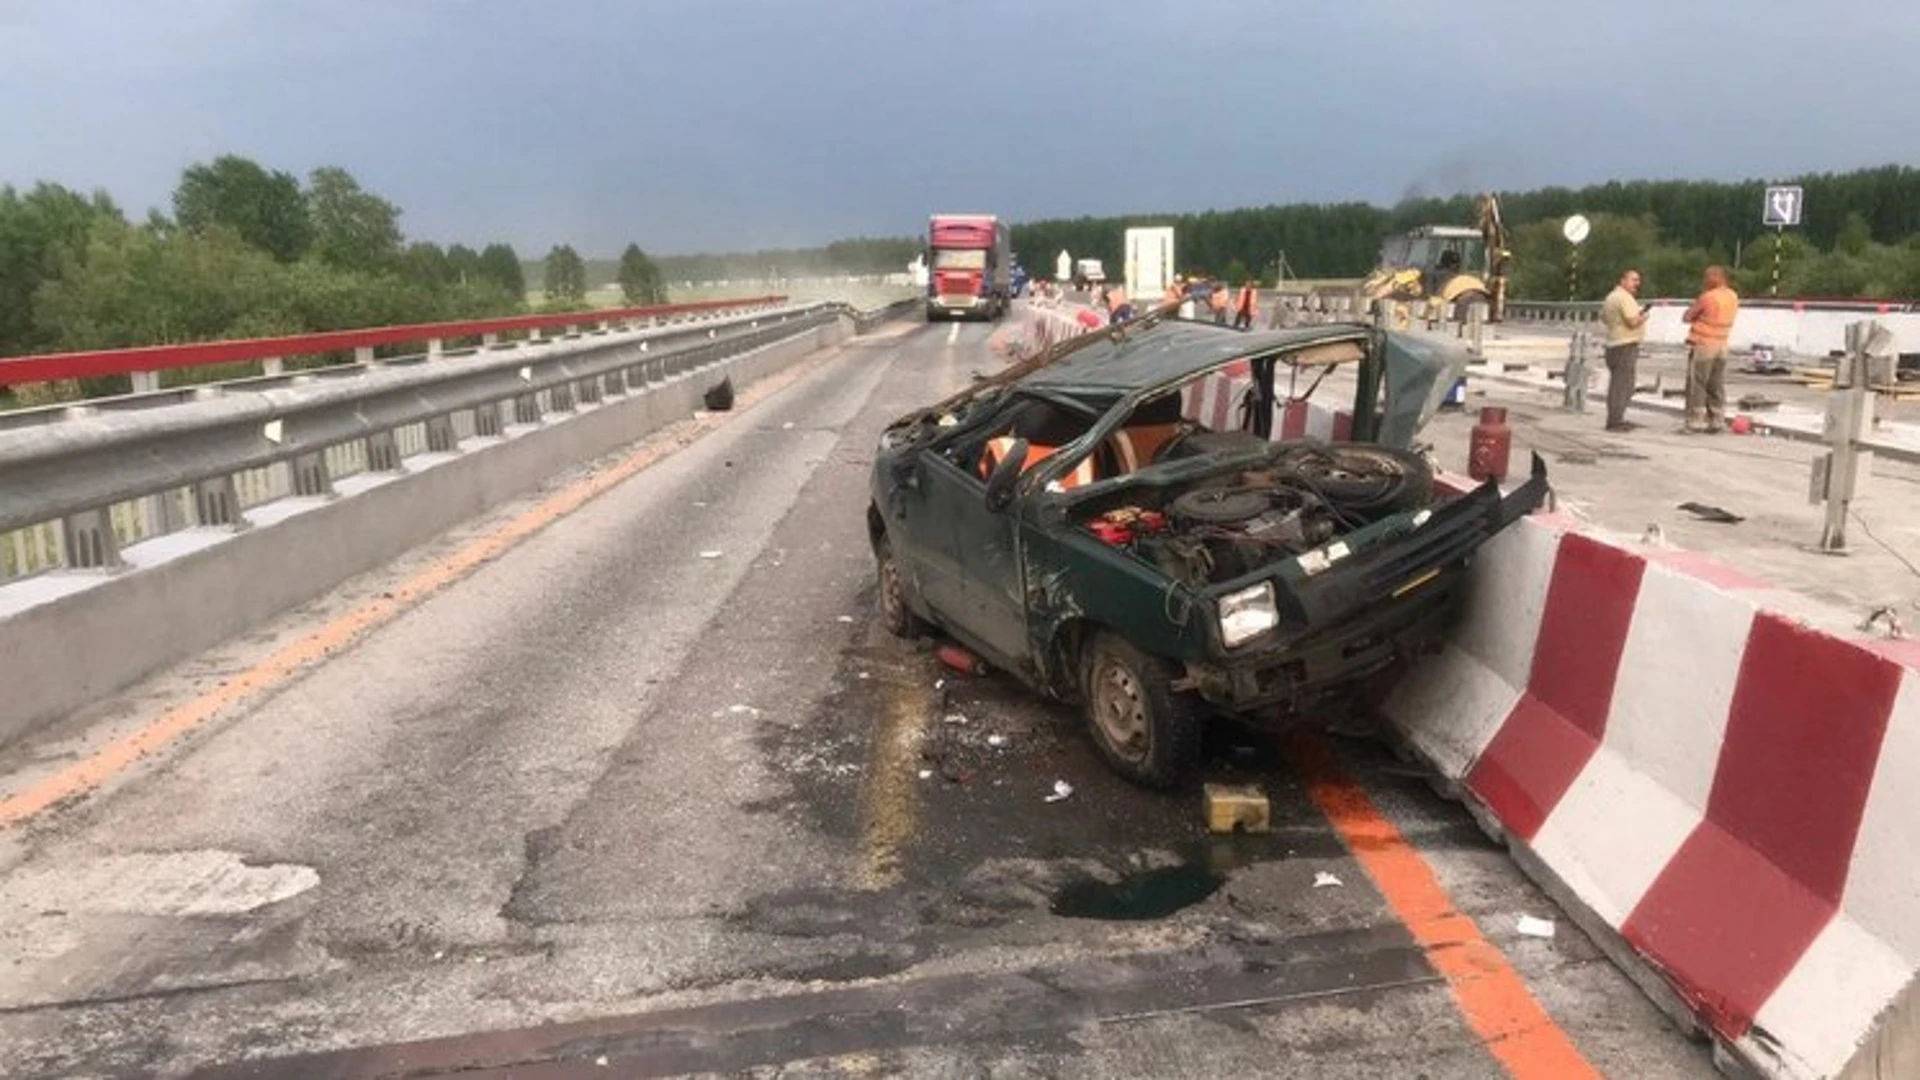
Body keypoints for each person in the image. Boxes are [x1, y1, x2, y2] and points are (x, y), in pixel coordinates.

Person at [1680, 266, 1739, 433]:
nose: (1704, 280)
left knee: (1697, 384)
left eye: (1707, 277)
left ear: (1717, 277)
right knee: (1716, 384)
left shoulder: (1708, 297)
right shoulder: (1733, 296)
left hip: (1704, 345)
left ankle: (1695, 421)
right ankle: (1717, 420)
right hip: (1722, 345)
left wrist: (1694, 313)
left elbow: (1687, 317)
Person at [1599, 269, 1650, 431]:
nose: (1637, 284)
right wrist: (1644, 317)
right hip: (1625, 345)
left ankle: (1616, 418)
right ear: (1622, 280)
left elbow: (1604, 318)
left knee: (1618, 384)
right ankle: (1615, 421)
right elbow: (1632, 321)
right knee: (1623, 385)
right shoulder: (1624, 298)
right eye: (1633, 280)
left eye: (1638, 280)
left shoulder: (1611, 297)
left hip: (1613, 343)